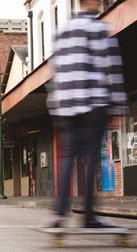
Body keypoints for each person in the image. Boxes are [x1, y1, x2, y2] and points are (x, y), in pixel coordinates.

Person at [46, 0, 127, 228]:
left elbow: (56, 69)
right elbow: (111, 69)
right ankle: (89, 216)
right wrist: (119, 106)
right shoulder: (99, 28)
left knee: (67, 157)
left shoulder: (62, 31)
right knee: (91, 156)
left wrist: (55, 104)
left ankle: (60, 213)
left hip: (65, 105)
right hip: (92, 102)